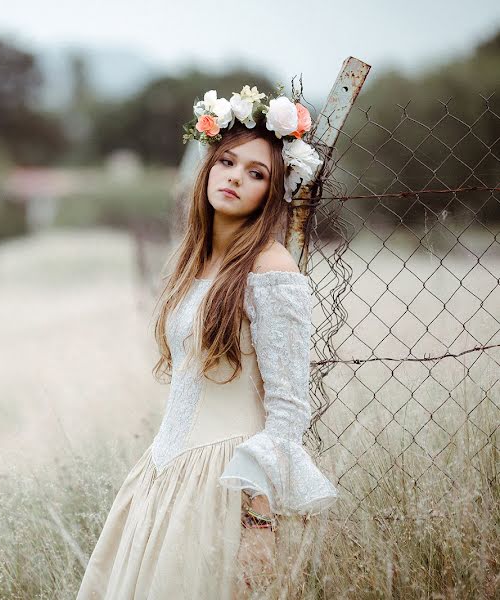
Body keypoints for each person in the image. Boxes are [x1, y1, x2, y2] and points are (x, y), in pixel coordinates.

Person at [76, 84, 339, 599]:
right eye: (227, 162)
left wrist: (257, 528)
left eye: (256, 173)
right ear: (208, 168)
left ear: (273, 193)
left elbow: (287, 411)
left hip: (222, 483)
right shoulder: (192, 262)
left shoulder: (272, 269)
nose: (236, 177)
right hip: (162, 474)